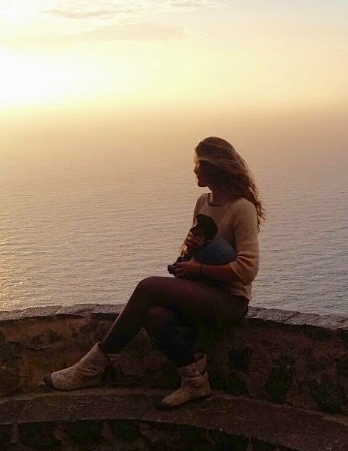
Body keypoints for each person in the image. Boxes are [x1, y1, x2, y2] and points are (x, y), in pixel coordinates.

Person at [43, 137, 263, 410]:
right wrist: (190, 251)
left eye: (198, 165)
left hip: (229, 300)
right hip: (201, 292)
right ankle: (195, 381)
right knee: (153, 315)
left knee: (148, 287)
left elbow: (247, 269)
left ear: (213, 168)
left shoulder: (242, 208)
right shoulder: (203, 202)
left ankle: (91, 368)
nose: (194, 170)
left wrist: (199, 268)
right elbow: (194, 254)